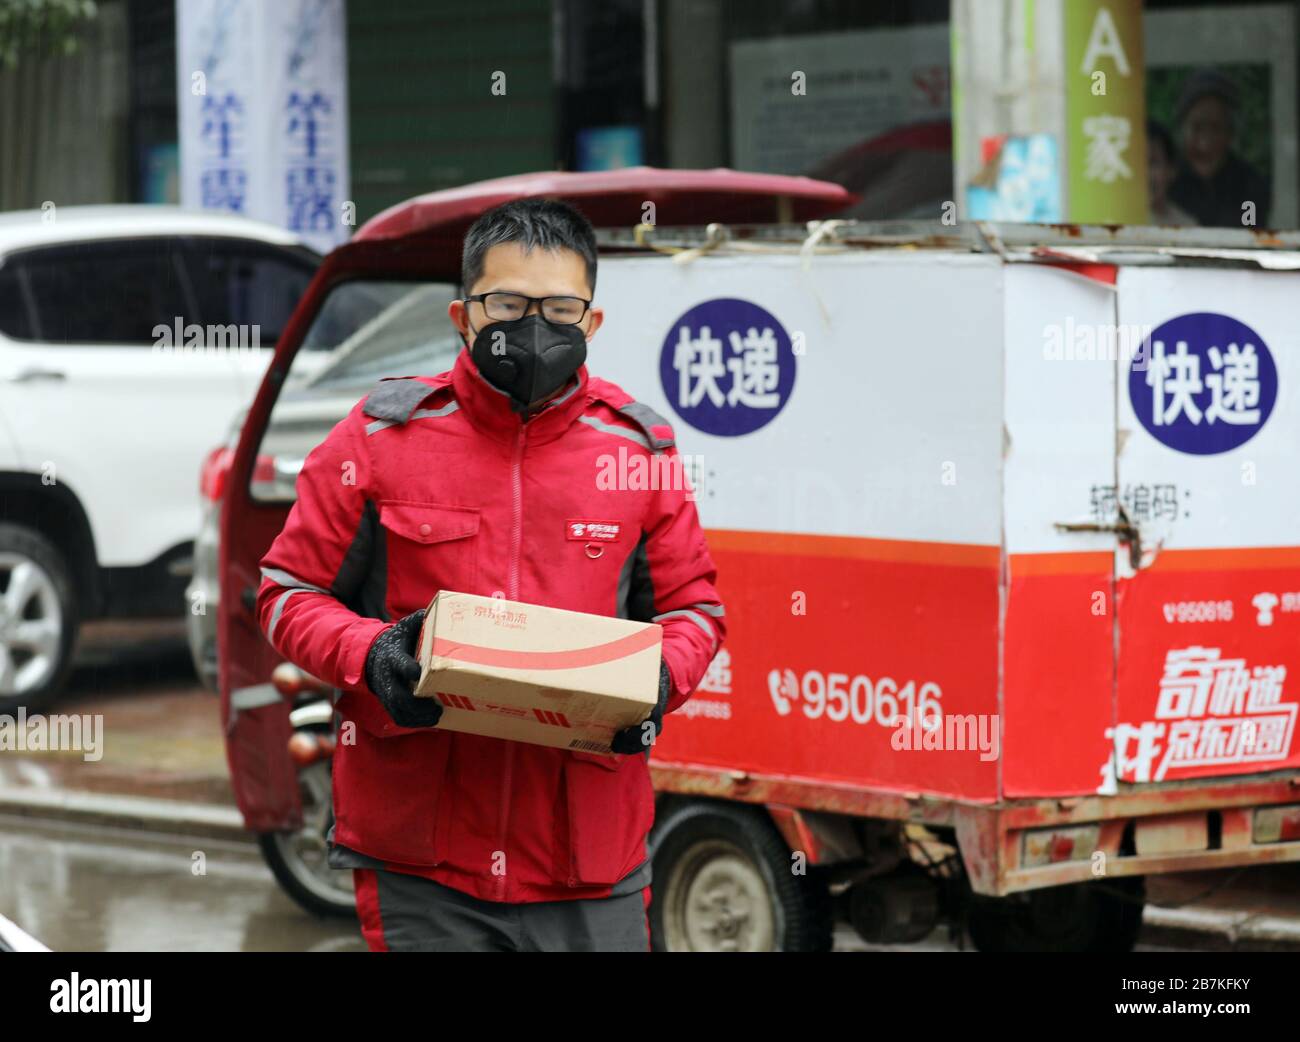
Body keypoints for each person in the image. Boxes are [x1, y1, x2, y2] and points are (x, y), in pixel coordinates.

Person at [256, 198, 726, 951]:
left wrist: (656, 680)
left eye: (560, 307)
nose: (534, 326)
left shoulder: (637, 452)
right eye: (506, 303)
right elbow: (286, 593)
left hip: (587, 859)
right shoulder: (380, 439)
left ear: (592, 322)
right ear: (462, 315)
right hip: (423, 858)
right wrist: (372, 656)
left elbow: (694, 610)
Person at [1167, 68, 1270, 227]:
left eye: (1216, 128)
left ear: (1231, 134)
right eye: (1197, 127)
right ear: (1182, 128)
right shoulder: (1165, 183)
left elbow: (1250, 235)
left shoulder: (1250, 186)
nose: (1205, 143)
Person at [1146, 120, 1196, 227]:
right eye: (1135, 164)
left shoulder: (1188, 227)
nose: (1144, 174)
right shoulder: (1109, 223)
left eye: (1152, 162)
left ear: (1171, 170)